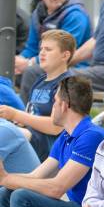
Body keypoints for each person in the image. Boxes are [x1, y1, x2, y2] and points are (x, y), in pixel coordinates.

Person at [0, 76, 104, 207]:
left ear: (64, 105)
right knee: (5, 195)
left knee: (21, 197)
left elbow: (56, 188)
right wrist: (6, 180)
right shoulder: (66, 135)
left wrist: (6, 178)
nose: (52, 107)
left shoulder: (91, 135)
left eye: (55, 101)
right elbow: (36, 176)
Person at [15, 0, 91, 102]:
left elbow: (64, 52)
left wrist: (29, 63)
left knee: (31, 72)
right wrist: (19, 61)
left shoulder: (76, 15)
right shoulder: (38, 14)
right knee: (9, 69)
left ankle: (26, 113)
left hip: (73, 67)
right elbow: (31, 48)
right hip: (46, 62)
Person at [1, 29, 75, 160]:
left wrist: (16, 114)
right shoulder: (40, 81)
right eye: (41, 49)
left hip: (50, 149)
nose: (42, 53)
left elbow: (55, 127)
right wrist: (16, 120)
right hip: (31, 139)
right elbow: (31, 114)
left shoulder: (68, 83)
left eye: (48, 49)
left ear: (65, 55)